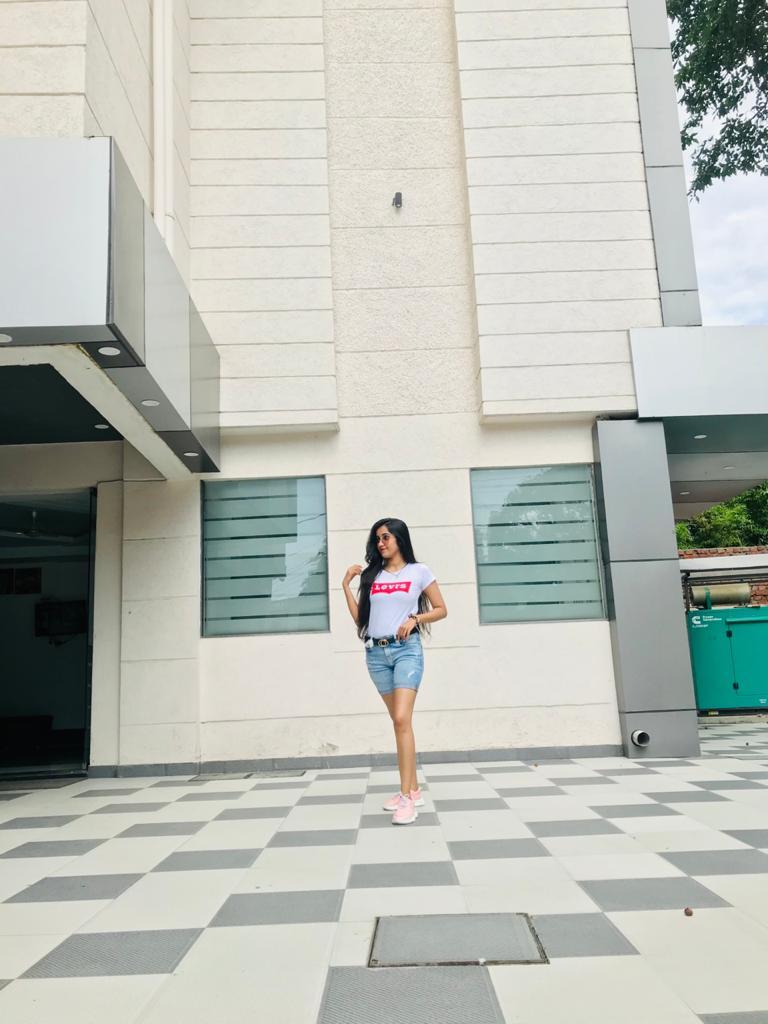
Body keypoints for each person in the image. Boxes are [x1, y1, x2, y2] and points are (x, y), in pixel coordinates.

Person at [342, 518, 447, 824]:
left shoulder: (419, 571)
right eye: (377, 539)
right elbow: (361, 619)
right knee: (400, 722)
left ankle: (406, 799)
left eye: (386, 537)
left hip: (406, 651)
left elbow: (441, 609)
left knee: (401, 719)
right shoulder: (373, 575)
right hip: (376, 654)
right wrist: (345, 586)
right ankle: (413, 789)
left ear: (400, 538)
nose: (381, 543)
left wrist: (416, 618)